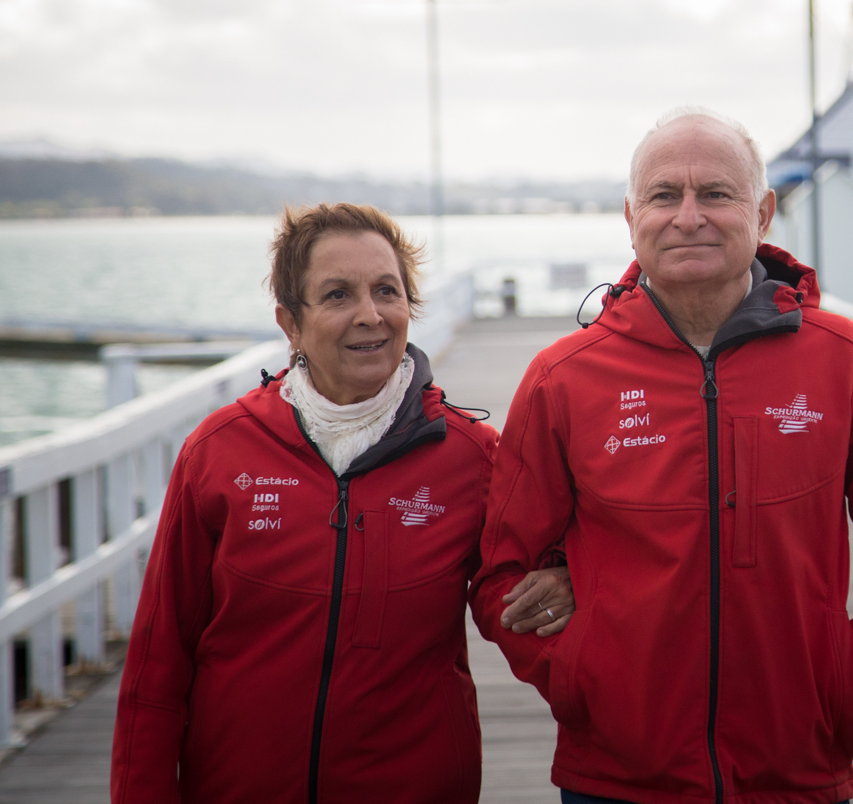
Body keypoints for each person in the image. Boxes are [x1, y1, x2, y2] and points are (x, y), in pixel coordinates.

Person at [472, 109, 853, 804]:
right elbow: (500, 574)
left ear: (762, 213)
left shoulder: (844, 359)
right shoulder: (563, 378)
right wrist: (581, 676)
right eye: (664, 195)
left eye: (716, 193)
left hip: (795, 773)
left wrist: (845, 676)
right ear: (631, 217)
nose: (688, 216)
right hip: (617, 778)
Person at [111, 202, 574, 804]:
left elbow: (514, 592)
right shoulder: (219, 452)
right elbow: (158, 660)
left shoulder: (473, 456)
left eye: (387, 291)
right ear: (291, 323)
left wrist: (569, 578)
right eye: (337, 295)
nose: (370, 315)